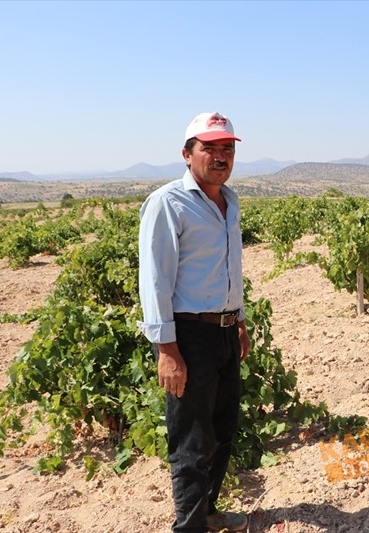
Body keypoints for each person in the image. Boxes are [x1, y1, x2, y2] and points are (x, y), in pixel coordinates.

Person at [138, 112, 252, 532]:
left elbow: (230, 268)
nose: (220, 157)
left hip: (223, 332)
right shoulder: (168, 203)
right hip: (188, 336)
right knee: (191, 441)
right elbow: (155, 280)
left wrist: (238, 320)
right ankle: (188, 527)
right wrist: (166, 349)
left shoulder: (230, 200)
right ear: (187, 155)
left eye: (228, 149)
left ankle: (208, 512)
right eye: (210, 148)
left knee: (222, 431)